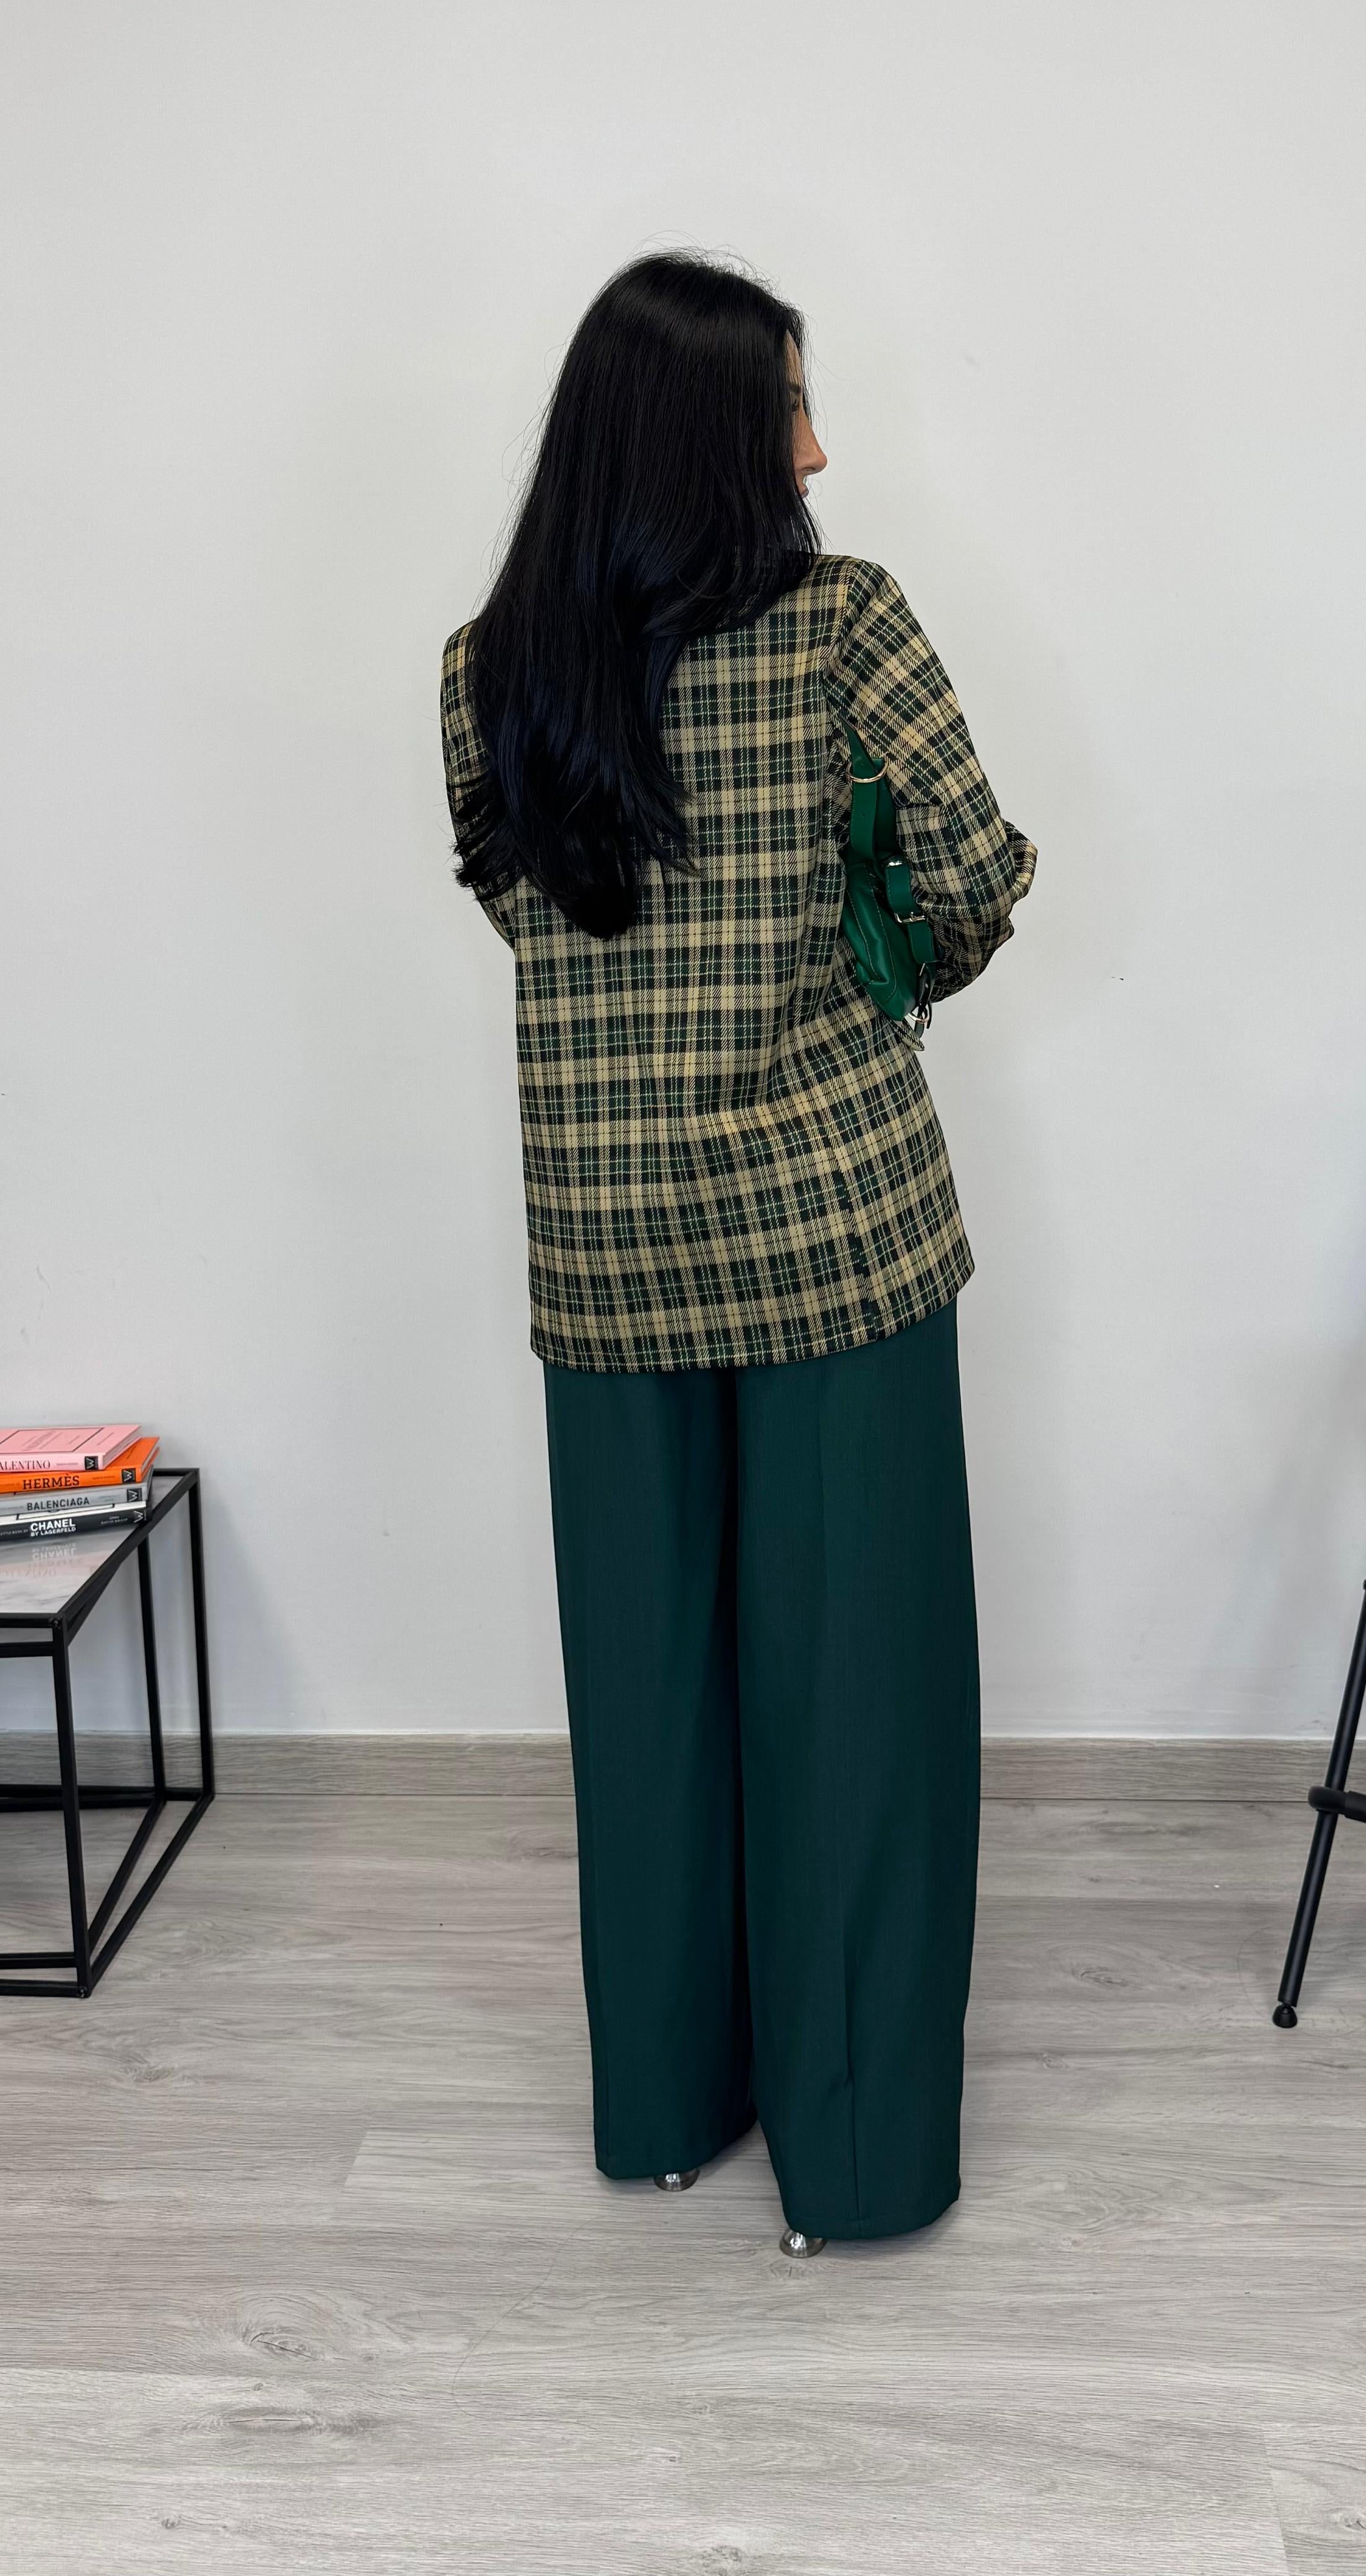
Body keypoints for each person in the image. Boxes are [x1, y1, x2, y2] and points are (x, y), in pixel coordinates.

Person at [441, 253, 1034, 2256]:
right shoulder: (849, 627)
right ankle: (854, 2163)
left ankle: (669, 2111)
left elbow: (522, 912)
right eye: (789, 406)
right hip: (837, 1240)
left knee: (651, 1702)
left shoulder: (485, 671)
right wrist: (859, 964)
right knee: (854, 1702)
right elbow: (971, 884)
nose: (818, 449)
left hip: (604, 1249)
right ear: (710, 439)